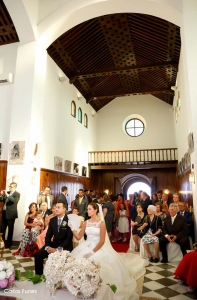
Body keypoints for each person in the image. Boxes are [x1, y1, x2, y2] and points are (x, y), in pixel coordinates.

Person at [69, 202, 140, 300]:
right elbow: (78, 237)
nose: (88, 211)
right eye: (87, 209)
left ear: (95, 210)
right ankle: (83, 286)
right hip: (86, 245)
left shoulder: (101, 223)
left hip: (98, 247)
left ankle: (98, 289)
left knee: (101, 266)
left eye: (90, 209)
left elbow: (102, 241)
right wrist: (72, 228)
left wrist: (92, 252)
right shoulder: (86, 222)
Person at [34, 200, 73, 275]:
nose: (56, 209)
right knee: (38, 255)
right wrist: (48, 246)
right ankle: (39, 276)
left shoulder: (68, 220)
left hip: (65, 246)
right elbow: (48, 235)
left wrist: (57, 249)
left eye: (58, 207)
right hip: (54, 244)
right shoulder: (52, 220)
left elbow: (68, 239)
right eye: (55, 208)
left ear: (64, 209)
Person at [2, 182, 20, 248]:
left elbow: (14, 201)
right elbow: (2, 199)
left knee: (10, 230)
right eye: (9, 186)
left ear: (15, 187)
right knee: (2, 229)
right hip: (4, 213)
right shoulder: (8, 193)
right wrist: (1, 196)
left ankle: (8, 244)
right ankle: (2, 243)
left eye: (11, 186)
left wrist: (8, 195)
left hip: (11, 214)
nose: (10, 188)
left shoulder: (17, 194)